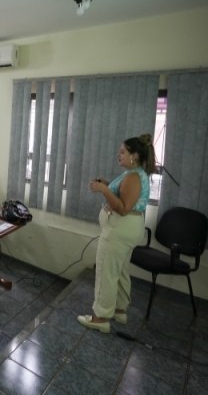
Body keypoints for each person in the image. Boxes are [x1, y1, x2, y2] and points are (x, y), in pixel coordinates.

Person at [77, 134, 155, 334]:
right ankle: (119, 310)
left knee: (106, 271)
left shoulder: (133, 176)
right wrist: (108, 183)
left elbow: (123, 207)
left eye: (122, 152)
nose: (118, 155)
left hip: (119, 230)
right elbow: (124, 193)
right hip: (128, 229)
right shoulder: (134, 174)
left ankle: (100, 317)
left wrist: (103, 189)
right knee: (119, 270)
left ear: (134, 156)